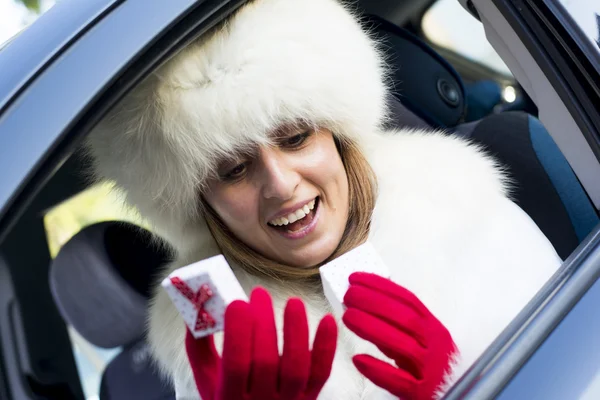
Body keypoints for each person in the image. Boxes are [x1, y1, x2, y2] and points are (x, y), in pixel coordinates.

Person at [87, 0, 562, 398]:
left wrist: (463, 382)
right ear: (201, 203)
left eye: (295, 138)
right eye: (233, 169)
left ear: (338, 137)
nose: (279, 184)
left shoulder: (472, 218)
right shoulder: (218, 355)